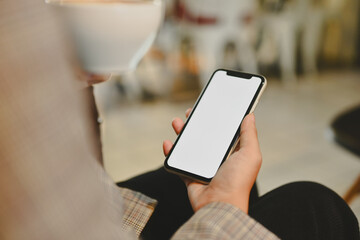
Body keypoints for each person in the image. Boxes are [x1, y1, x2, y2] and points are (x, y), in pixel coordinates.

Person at [0, 0, 358, 239]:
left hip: (102, 201)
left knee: (219, 178)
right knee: (317, 206)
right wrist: (223, 211)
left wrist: (70, 79)